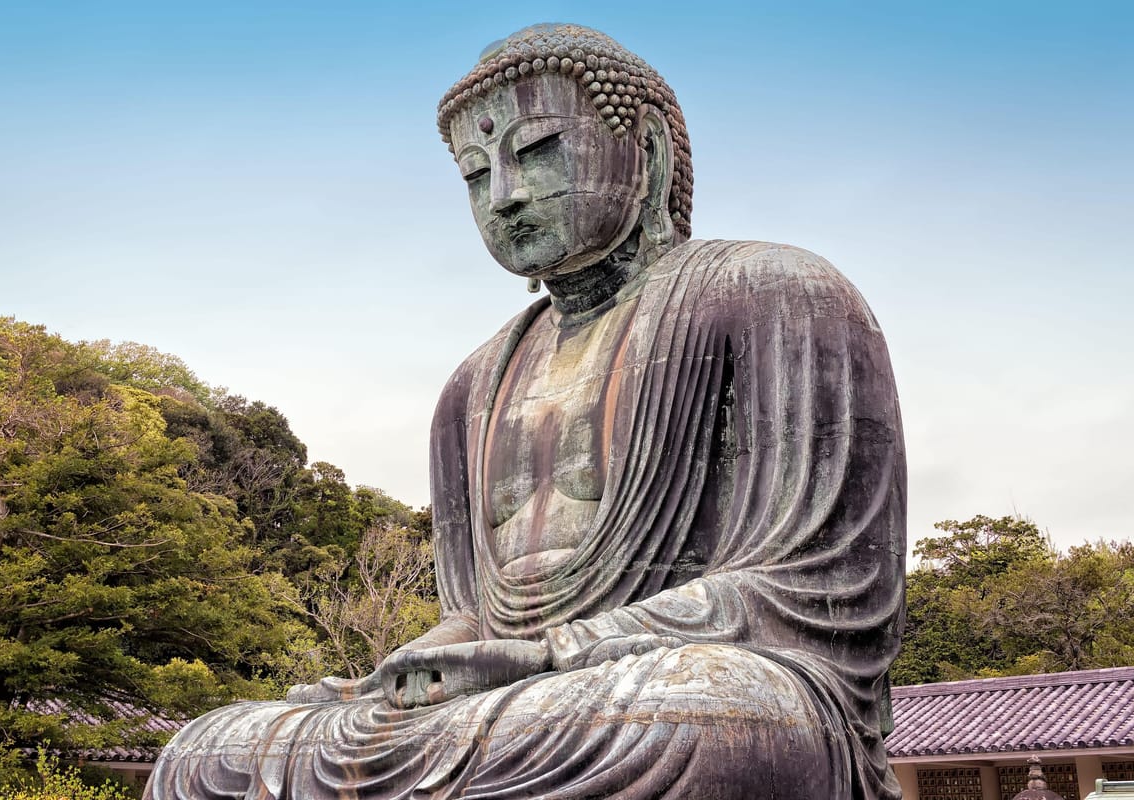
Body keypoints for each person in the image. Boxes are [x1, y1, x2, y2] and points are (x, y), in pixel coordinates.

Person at [146, 23, 906, 800]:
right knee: (203, 752)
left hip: (667, 686)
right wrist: (410, 673)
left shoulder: (773, 295)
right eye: (477, 175)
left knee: (718, 719)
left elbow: (821, 592)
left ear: (646, 153)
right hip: (515, 709)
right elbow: (474, 615)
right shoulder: (469, 388)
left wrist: (554, 653)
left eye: (537, 151)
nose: (504, 197)